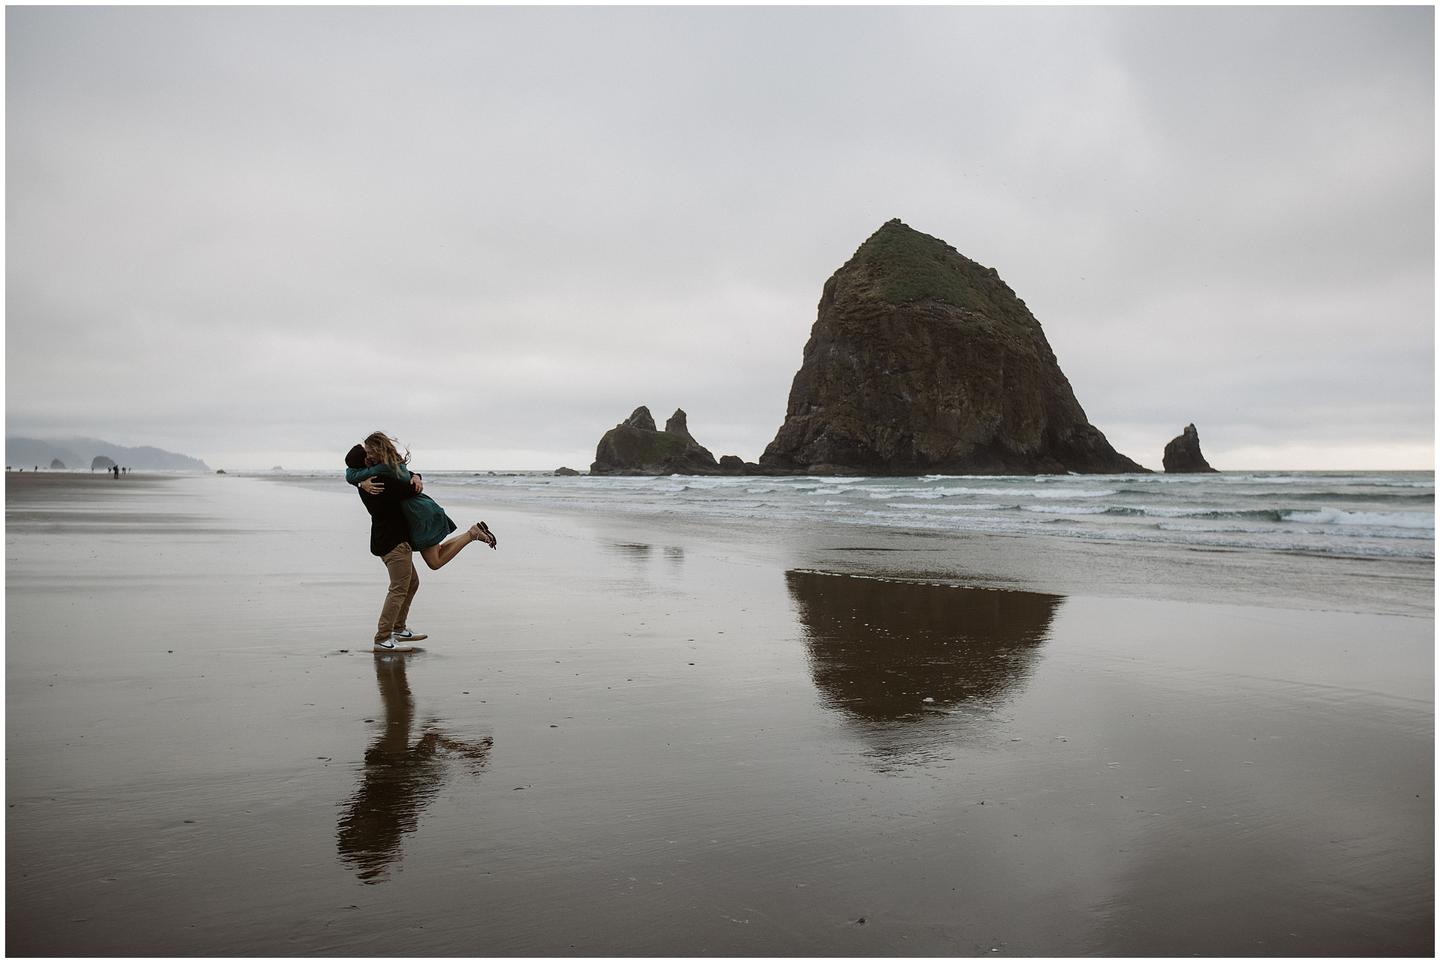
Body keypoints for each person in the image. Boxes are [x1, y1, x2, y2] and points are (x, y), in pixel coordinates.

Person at [345, 431, 496, 570]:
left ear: (379, 450)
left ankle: (471, 534)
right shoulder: (394, 465)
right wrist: (416, 476)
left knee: (434, 562)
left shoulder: (383, 469)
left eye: (370, 452)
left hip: (419, 512)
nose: (368, 456)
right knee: (437, 553)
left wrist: (360, 482)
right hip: (419, 509)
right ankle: (471, 533)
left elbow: (352, 474)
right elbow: (406, 474)